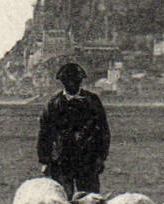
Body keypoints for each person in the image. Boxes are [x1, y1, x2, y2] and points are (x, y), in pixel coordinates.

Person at [36, 57, 110, 196]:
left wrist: (101, 157)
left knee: (89, 200)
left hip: (88, 160)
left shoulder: (92, 101)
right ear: (62, 82)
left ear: (80, 81)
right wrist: (44, 160)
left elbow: (103, 132)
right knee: (63, 199)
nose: (71, 84)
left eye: (75, 80)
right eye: (67, 81)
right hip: (61, 161)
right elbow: (45, 134)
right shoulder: (53, 104)